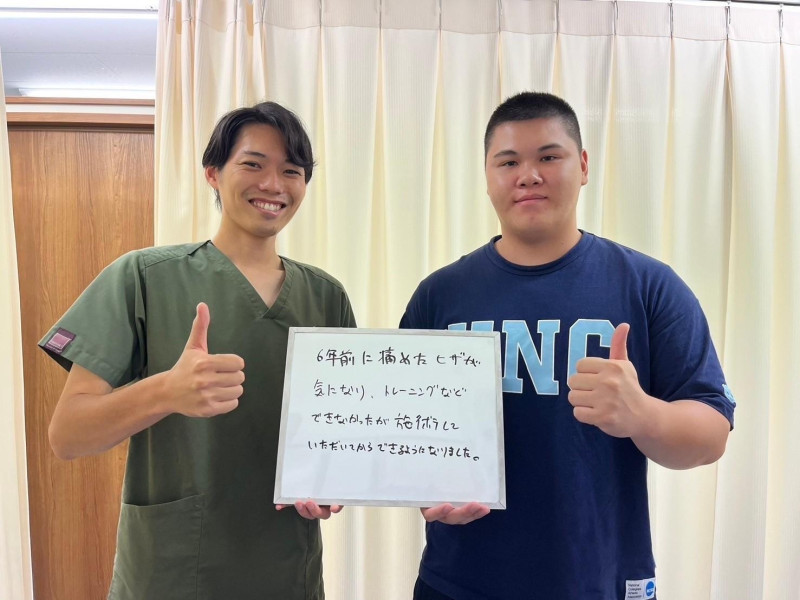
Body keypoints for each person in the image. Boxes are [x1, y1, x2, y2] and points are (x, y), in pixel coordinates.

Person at [399, 92, 735, 600]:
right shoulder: (439, 295)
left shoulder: (648, 286)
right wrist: (423, 488)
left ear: (582, 166)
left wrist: (644, 414)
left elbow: (712, 436)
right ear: (487, 177)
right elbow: (403, 431)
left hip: (599, 581)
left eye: (549, 157)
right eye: (508, 162)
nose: (528, 175)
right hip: (456, 582)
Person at [40, 101, 355, 599]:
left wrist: (331, 484)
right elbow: (68, 435)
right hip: (172, 574)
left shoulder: (326, 297)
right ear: (213, 173)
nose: (273, 184)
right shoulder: (144, 277)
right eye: (253, 164)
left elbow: (339, 438)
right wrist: (167, 391)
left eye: (291, 171)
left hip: (286, 569)